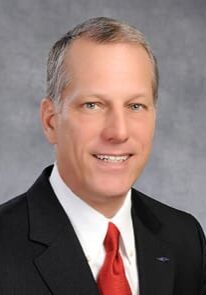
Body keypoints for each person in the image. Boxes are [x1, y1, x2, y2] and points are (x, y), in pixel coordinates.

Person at [0, 17, 205, 295]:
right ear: (51, 122)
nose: (118, 132)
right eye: (93, 105)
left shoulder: (185, 238)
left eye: (135, 105)